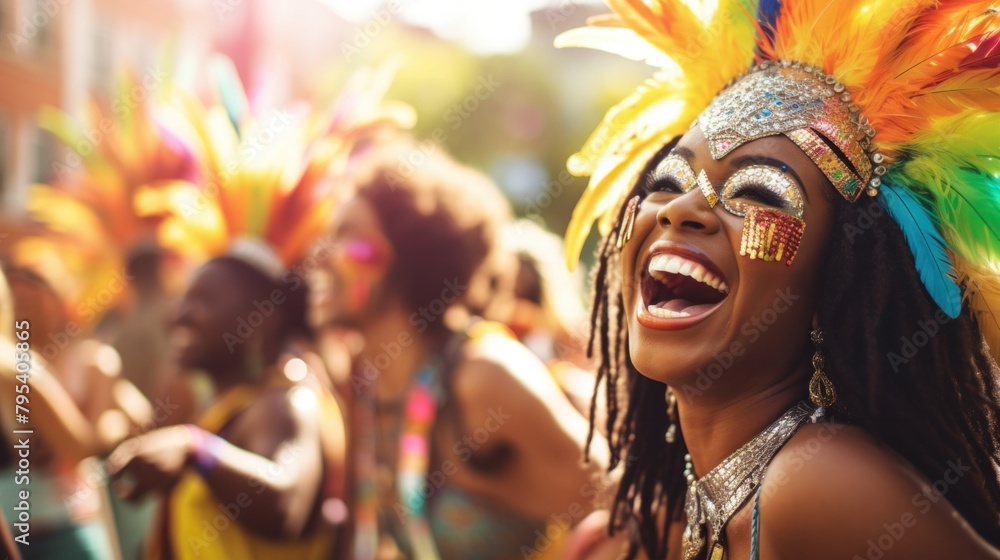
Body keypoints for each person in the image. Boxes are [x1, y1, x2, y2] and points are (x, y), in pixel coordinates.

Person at [556, 1, 1000, 559]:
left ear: (833, 287)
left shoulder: (811, 484)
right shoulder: (716, 496)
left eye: (758, 192)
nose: (682, 209)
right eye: (668, 179)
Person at [311, 136, 607, 559]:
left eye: (346, 235)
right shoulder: (364, 379)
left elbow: (637, 510)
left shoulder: (484, 375)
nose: (318, 256)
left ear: (409, 253)